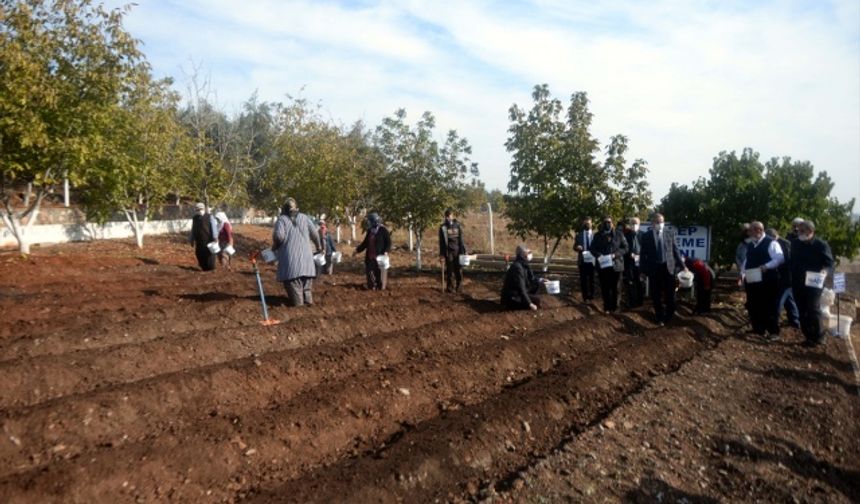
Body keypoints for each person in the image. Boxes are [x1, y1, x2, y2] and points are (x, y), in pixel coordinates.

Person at [790, 220, 834, 347]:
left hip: (814, 282)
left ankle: (819, 336)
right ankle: (809, 336)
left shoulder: (821, 245)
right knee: (801, 309)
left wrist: (825, 271)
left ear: (811, 231)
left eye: (802, 230)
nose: (799, 233)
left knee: (813, 308)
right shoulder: (796, 244)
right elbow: (792, 261)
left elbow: (829, 264)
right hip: (798, 282)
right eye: (798, 230)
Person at [272, 198, 322, 307]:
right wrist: (319, 246)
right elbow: (315, 234)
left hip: (291, 265)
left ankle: (300, 308)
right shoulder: (305, 218)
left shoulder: (282, 220)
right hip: (307, 263)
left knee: (297, 299)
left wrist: (274, 247)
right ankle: (309, 307)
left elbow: (279, 237)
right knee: (307, 290)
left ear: (284, 209)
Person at [639, 213, 687, 326]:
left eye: (662, 222)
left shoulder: (670, 233)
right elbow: (643, 255)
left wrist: (683, 266)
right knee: (656, 294)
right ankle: (659, 317)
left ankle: (669, 315)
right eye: (657, 222)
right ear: (652, 223)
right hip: (654, 269)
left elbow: (676, 251)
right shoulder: (646, 236)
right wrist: (642, 271)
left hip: (668, 268)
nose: (660, 224)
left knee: (670, 294)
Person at [740, 221, 784, 340]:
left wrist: (766, 266)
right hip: (753, 279)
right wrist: (742, 274)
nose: (749, 233)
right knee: (753, 304)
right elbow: (746, 261)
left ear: (759, 230)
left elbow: (779, 258)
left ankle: (773, 332)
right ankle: (758, 329)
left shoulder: (771, 243)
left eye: (751, 231)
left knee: (769, 306)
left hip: (768, 280)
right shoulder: (751, 244)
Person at [588, 216, 628, 313]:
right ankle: (607, 308)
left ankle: (616, 308)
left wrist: (616, 254)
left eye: (609, 222)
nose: (607, 224)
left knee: (616, 288)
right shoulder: (597, 235)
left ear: (612, 223)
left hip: (616, 265)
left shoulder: (619, 234)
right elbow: (592, 248)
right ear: (602, 224)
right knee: (605, 288)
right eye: (605, 222)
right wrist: (599, 255)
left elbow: (625, 248)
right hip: (603, 266)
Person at [766, 228, 799, 328]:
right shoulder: (781, 243)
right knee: (789, 300)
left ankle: (773, 324)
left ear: (774, 236)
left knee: (779, 301)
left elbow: (787, 261)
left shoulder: (785, 244)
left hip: (786, 277)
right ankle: (795, 321)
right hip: (785, 277)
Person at [354, 212, 391, 290]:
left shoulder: (383, 230)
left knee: (379, 275)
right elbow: (365, 243)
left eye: (370, 221)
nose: (369, 223)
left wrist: (386, 251)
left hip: (380, 257)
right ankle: (372, 287)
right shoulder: (370, 231)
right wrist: (357, 250)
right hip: (370, 257)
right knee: (370, 273)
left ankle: (380, 288)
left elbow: (389, 242)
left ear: (374, 221)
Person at [501, 244, 542, 310]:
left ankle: (527, 299)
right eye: (527, 253)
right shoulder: (517, 267)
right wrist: (530, 304)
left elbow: (531, 278)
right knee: (537, 300)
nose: (529, 255)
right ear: (522, 254)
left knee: (536, 285)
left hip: (517, 293)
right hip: (512, 298)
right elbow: (521, 288)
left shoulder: (523, 264)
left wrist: (541, 280)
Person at [438, 207, 467, 293]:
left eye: (449, 215)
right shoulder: (443, 227)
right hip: (448, 252)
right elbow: (442, 243)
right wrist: (442, 254)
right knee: (450, 270)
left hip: (457, 251)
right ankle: (450, 288)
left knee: (458, 269)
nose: (448, 217)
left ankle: (459, 287)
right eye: (446, 216)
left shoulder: (457, 225)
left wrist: (463, 251)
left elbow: (461, 239)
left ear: (452, 216)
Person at [622, 217, 644, 308]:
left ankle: (640, 302)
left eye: (636, 223)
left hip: (640, 263)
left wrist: (641, 256)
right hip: (629, 263)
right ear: (630, 225)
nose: (634, 225)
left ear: (639, 225)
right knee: (630, 283)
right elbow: (622, 248)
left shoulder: (643, 235)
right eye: (632, 223)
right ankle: (631, 302)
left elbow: (647, 249)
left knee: (639, 282)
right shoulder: (626, 235)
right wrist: (628, 254)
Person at [189, 202, 217, 271]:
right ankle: (203, 267)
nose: (199, 211)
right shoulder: (195, 218)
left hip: (208, 239)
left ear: (204, 209)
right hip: (199, 240)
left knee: (209, 255)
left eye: (201, 209)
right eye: (198, 210)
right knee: (199, 253)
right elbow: (193, 229)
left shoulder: (210, 216)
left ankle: (210, 268)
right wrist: (192, 239)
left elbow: (214, 227)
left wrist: (215, 237)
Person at [573, 218, 596, 302]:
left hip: (592, 260)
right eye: (586, 224)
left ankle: (592, 296)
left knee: (592, 279)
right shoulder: (579, 235)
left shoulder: (595, 235)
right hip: (582, 260)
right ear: (583, 224)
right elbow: (574, 247)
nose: (587, 225)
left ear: (592, 224)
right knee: (583, 280)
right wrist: (577, 247)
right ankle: (585, 297)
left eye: (589, 223)